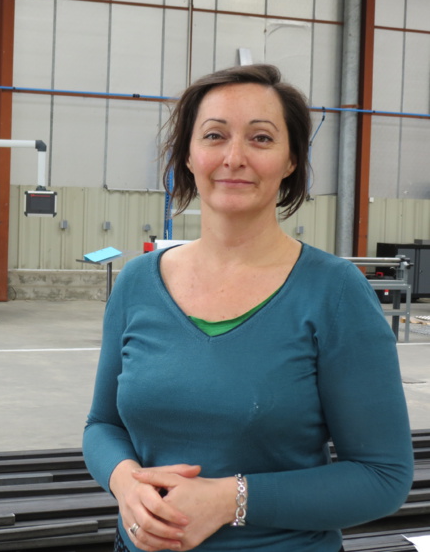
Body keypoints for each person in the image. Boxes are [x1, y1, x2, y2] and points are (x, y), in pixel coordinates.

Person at [82, 64, 413, 552]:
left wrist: (230, 499)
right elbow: (103, 426)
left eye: (261, 139)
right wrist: (125, 480)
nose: (234, 157)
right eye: (215, 135)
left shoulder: (334, 292)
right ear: (189, 156)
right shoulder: (137, 283)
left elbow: (382, 476)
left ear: (291, 160)